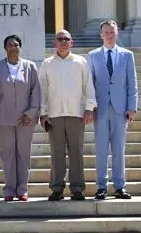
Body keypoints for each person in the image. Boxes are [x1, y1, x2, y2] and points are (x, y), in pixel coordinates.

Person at [39, 29, 95, 201]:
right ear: (54, 43)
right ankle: (57, 188)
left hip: (76, 114)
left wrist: (89, 108)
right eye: (60, 39)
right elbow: (42, 90)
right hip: (54, 115)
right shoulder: (47, 64)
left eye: (67, 39)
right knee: (57, 153)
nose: (63, 41)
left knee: (76, 153)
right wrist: (43, 113)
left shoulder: (81, 62)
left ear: (72, 43)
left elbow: (88, 86)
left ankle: (77, 188)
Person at [0, 34, 41, 202]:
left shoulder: (30, 67)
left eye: (16, 45)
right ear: (5, 48)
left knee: (23, 154)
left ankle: (22, 190)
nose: (13, 47)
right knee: (7, 155)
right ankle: (9, 190)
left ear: (20, 47)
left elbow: (36, 92)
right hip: (3, 118)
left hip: (25, 119)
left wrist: (31, 113)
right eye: (9, 45)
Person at [87, 21, 138, 200]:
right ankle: (101, 186)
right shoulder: (92, 56)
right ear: (101, 35)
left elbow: (132, 83)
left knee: (118, 148)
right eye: (106, 32)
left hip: (120, 109)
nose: (109, 35)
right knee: (101, 149)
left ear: (117, 34)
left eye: (112, 32)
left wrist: (132, 107)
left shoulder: (127, 55)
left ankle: (119, 186)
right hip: (100, 109)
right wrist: (89, 107)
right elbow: (89, 84)